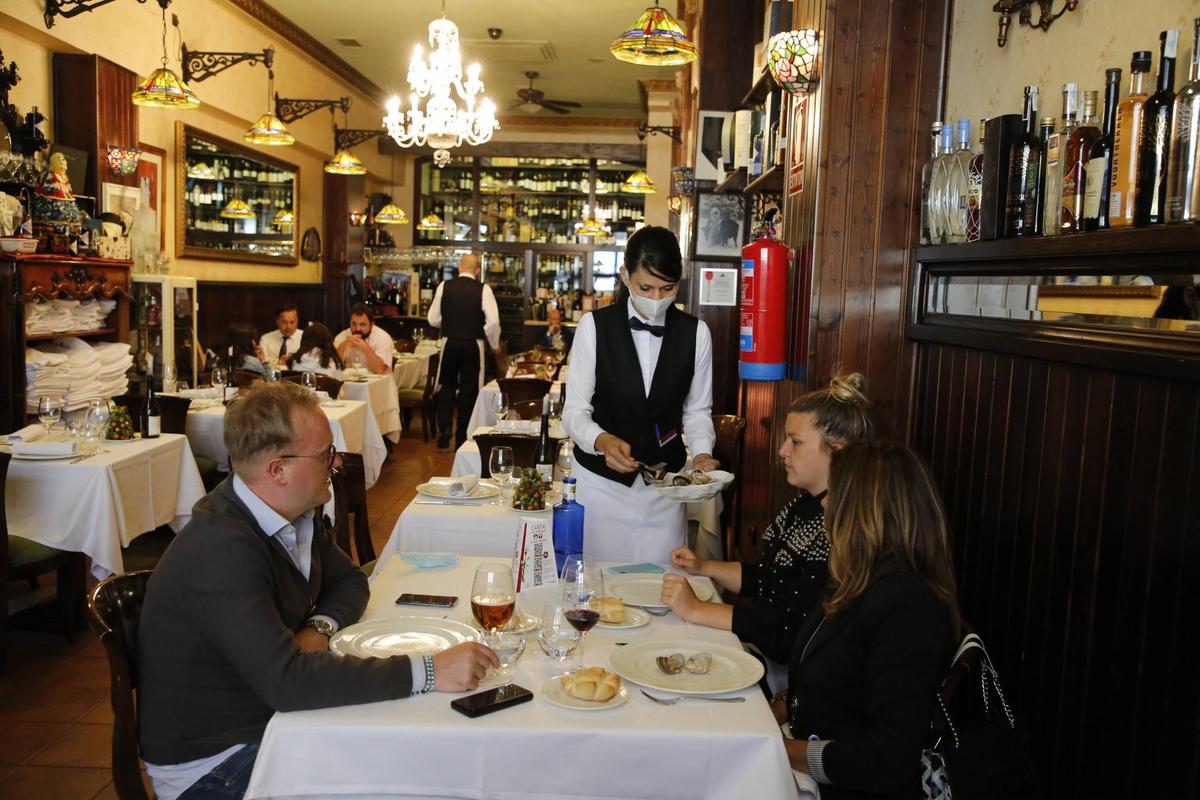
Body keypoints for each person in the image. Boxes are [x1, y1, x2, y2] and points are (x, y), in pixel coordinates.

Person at [137, 382, 498, 800]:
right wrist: (431, 671)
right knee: (408, 774)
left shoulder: (293, 513)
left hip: (269, 720)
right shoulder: (221, 548)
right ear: (278, 470)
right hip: (217, 763)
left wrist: (320, 628)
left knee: (418, 755)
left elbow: (349, 581)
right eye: (326, 453)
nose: (338, 461)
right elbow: (288, 682)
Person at [780, 440, 959, 799]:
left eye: (836, 494)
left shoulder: (909, 608)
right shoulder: (854, 578)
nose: (826, 504)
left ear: (867, 510)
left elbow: (888, 760)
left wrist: (783, 752)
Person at [661, 374, 873, 675]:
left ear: (836, 451)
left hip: (791, 674)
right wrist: (704, 568)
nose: (782, 450)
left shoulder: (839, 527)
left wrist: (697, 609)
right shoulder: (805, 503)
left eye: (795, 442)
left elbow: (787, 633)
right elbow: (769, 579)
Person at [561, 225, 718, 562]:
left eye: (667, 288)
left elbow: (696, 411)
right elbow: (573, 411)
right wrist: (601, 440)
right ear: (625, 277)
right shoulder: (595, 327)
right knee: (596, 590)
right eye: (646, 288)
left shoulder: (696, 334)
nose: (657, 299)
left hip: (664, 490)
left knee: (663, 588)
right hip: (600, 487)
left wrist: (703, 454)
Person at [427, 253, 501, 450]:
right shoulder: (484, 289)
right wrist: (493, 343)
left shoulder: (444, 286)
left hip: (449, 341)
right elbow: (493, 322)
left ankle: (444, 430)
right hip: (473, 343)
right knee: (469, 390)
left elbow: (432, 319)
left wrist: (451, 322)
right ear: (477, 270)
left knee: (446, 385)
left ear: (460, 267)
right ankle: (462, 435)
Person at [334, 303, 394, 375]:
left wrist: (365, 347)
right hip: (350, 383)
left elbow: (380, 370)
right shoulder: (342, 337)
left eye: (362, 324)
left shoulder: (383, 338)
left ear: (371, 325)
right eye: (354, 324)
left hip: (378, 384)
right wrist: (343, 346)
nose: (357, 329)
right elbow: (333, 368)